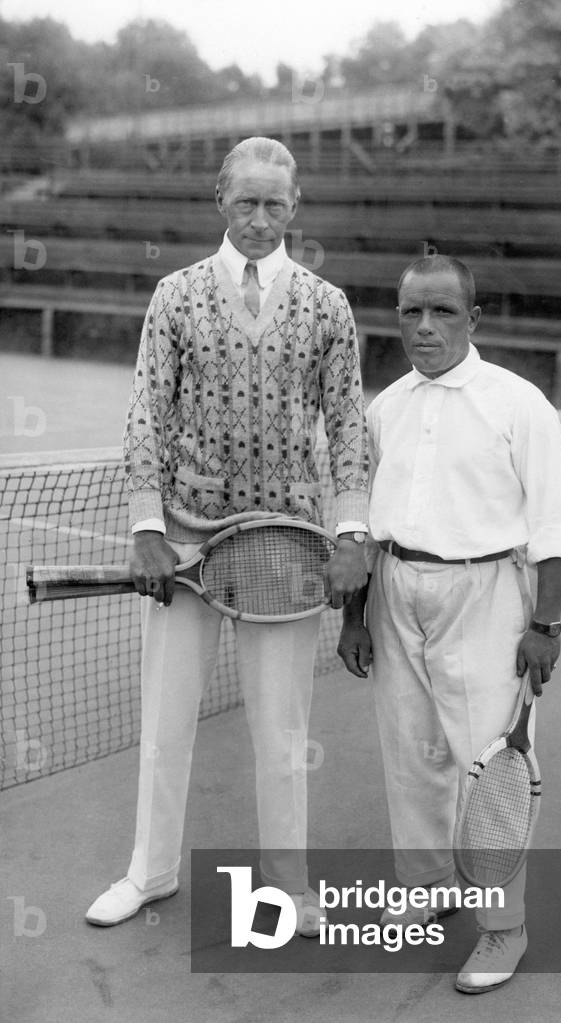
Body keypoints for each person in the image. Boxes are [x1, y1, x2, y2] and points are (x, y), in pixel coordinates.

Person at [86, 137, 369, 934]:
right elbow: (148, 409)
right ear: (219, 201)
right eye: (245, 201)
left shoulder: (327, 305)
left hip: (286, 541)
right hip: (183, 539)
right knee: (164, 722)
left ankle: (287, 890)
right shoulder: (174, 296)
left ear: (295, 207)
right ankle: (149, 873)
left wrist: (352, 527)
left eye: (275, 204)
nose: (259, 218)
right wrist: (146, 524)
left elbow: (348, 423)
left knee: (283, 735)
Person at [338, 254, 561, 992]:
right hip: (393, 592)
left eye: (442, 311)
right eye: (411, 311)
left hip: (487, 597)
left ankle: (503, 927)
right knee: (412, 758)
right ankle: (427, 887)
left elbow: (554, 526)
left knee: (490, 773)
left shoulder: (518, 404)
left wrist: (546, 624)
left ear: (472, 319)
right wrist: (355, 616)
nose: (424, 327)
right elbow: (365, 525)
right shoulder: (385, 408)